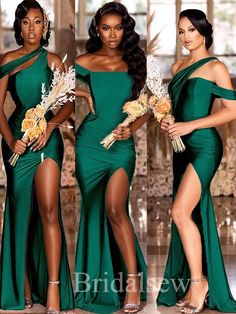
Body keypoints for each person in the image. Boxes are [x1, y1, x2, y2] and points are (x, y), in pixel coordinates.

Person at [157, 9, 236, 313]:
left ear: (203, 31)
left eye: (191, 30)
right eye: (181, 31)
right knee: (189, 213)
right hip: (181, 149)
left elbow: (231, 110)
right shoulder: (177, 67)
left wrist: (191, 125)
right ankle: (196, 280)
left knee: (179, 211)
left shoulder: (216, 67)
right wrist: (169, 121)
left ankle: (198, 282)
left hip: (205, 147)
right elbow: (177, 110)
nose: (186, 37)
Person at [0, 1, 74, 313]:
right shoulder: (7, 61)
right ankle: (24, 285)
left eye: (38, 22)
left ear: (45, 27)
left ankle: (54, 288)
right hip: (17, 139)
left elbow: (69, 103)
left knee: (48, 209)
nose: (32, 28)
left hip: (48, 140)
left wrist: (52, 124)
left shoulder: (55, 60)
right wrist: (11, 141)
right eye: (26, 22)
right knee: (21, 215)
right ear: (18, 27)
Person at [75, 2, 147, 313]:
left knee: (116, 208)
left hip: (120, 147)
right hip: (88, 145)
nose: (112, 34)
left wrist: (132, 129)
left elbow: (147, 105)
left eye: (118, 27)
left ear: (126, 29)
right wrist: (80, 95)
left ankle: (132, 281)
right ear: (97, 30)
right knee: (93, 211)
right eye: (106, 28)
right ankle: (96, 284)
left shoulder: (135, 61)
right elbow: (53, 95)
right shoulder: (83, 62)